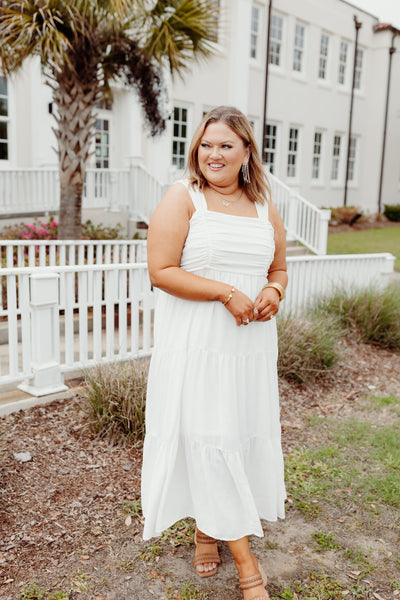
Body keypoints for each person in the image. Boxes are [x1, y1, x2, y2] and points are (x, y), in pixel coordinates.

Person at [141, 106, 287, 600]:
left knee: (237, 438)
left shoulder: (266, 206)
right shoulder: (183, 198)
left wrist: (274, 292)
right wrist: (226, 292)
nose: (214, 154)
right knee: (211, 437)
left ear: (247, 151)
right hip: (198, 348)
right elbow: (160, 270)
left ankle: (208, 529)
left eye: (226, 144)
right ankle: (248, 568)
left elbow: (280, 268)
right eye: (206, 144)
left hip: (248, 349)